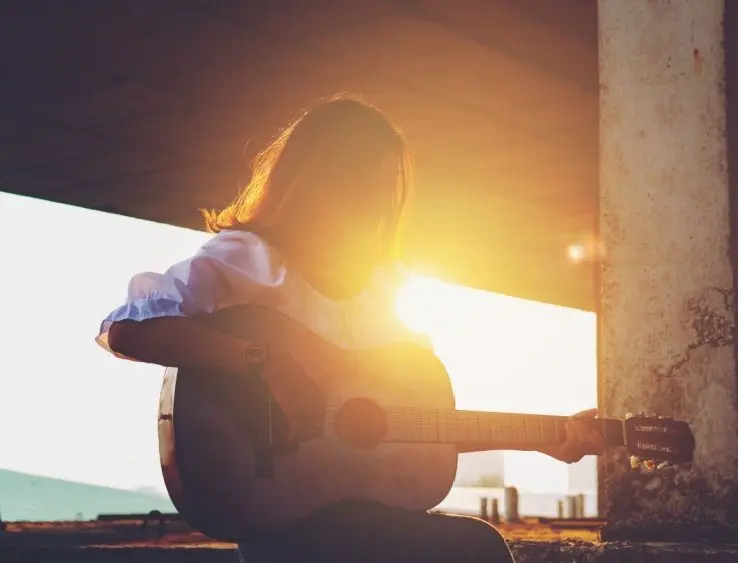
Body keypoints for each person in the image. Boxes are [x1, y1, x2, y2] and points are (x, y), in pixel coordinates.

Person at [95, 94, 605, 563]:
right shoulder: (251, 259)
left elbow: (409, 423)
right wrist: (260, 360)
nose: (378, 204)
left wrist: (547, 438)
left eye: (386, 190)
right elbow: (128, 330)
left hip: (367, 518)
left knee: (475, 547)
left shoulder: (383, 288)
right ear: (319, 180)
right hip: (282, 518)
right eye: (365, 184)